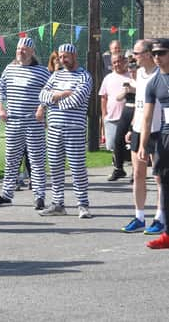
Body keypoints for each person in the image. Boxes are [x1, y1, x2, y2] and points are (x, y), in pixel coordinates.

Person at [0, 38, 51, 210]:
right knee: (11, 159)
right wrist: (0, 107)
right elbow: (1, 90)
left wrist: (41, 108)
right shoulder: (9, 69)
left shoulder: (42, 71)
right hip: (13, 122)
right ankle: (6, 194)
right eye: (18, 48)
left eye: (24, 49)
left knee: (36, 160)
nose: (20, 51)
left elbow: (49, 93)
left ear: (31, 52)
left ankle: (39, 196)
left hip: (33, 123)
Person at [39, 43, 93, 218]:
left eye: (66, 56)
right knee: (55, 167)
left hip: (74, 129)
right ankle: (57, 204)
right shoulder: (56, 74)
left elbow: (75, 101)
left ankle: (83, 204)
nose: (62, 60)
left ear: (74, 56)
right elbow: (42, 95)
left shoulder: (84, 76)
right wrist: (61, 94)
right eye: (60, 57)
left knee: (77, 168)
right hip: (54, 128)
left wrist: (52, 99)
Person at [122, 39, 164, 235]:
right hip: (139, 129)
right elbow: (140, 105)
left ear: (148, 54)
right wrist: (132, 127)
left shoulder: (161, 74)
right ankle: (139, 216)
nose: (133, 58)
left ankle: (160, 218)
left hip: (158, 131)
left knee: (159, 177)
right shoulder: (139, 73)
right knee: (138, 174)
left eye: (137, 54)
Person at [138, 38, 169, 249]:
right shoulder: (153, 83)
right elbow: (147, 118)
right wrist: (143, 144)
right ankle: (167, 234)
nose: (157, 57)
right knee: (165, 182)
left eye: (162, 53)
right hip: (166, 135)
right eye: (155, 53)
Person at [99, 54, 131, 181]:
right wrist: (104, 114)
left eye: (119, 61)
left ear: (124, 61)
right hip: (112, 117)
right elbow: (103, 97)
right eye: (114, 62)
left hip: (128, 117)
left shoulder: (131, 76)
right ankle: (119, 169)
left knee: (130, 145)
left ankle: (135, 171)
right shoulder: (108, 78)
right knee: (112, 144)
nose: (117, 64)